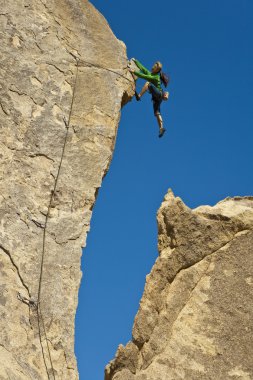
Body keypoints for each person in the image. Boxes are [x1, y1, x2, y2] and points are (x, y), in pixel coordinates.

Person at [129, 58, 169, 138]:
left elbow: (144, 76)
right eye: (154, 65)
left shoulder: (156, 77)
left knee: (148, 83)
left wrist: (134, 72)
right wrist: (136, 61)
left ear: (157, 70)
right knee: (157, 113)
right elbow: (143, 69)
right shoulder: (152, 74)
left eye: (154, 66)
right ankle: (161, 128)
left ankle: (139, 96)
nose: (152, 67)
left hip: (159, 94)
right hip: (156, 98)